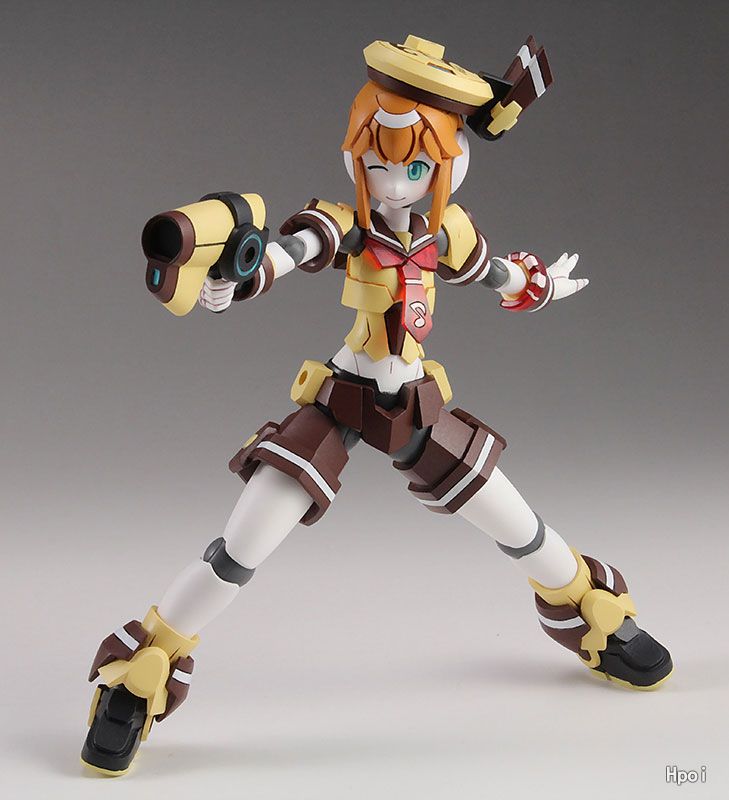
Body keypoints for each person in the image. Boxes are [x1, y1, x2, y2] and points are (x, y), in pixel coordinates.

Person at [82, 34, 672, 777]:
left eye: (415, 168)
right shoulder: (346, 225)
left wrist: (540, 283)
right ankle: (142, 672)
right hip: (341, 401)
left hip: (416, 405)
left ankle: (588, 611)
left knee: (518, 524)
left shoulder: (444, 232)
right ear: (354, 157)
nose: (393, 182)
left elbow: (491, 272)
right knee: (240, 547)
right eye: (378, 163)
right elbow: (289, 252)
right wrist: (234, 281)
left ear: (446, 167)